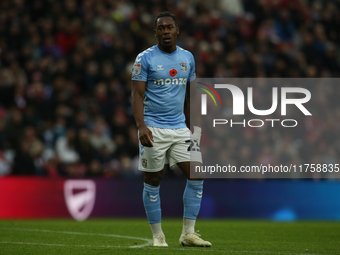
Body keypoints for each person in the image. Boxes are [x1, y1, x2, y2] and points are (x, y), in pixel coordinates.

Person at [131, 11, 211, 247]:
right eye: (161, 28)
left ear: (178, 31)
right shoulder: (144, 58)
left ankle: (188, 233)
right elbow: (137, 94)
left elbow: (190, 93)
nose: (166, 31)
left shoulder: (188, 57)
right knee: (154, 178)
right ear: (155, 32)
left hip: (180, 128)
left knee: (197, 173)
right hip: (153, 128)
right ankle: (158, 236)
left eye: (169, 27)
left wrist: (194, 123)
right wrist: (141, 126)